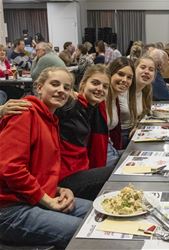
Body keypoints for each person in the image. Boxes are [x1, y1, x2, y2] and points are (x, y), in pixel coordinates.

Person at [0, 67, 91, 248]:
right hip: (10, 209)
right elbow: (10, 168)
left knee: (97, 213)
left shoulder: (50, 119)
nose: (61, 90)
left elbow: (37, 170)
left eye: (66, 87)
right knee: (87, 234)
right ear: (39, 87)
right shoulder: (25, 113)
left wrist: (57, 189)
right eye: (55, 84)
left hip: (31, 199)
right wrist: (47, 199)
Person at [57, 64, 112, 200]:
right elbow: (41, 104)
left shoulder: (94, 108)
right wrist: (3, 109)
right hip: (64, 179)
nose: (100, 89)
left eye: (105, 86)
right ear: (83, 84)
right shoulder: (70, 104)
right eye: (95, 83)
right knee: (117, 172)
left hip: (81, 170)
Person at [119, 55, 155, 147]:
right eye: (143, 67)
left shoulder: (146, 90)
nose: (147, 72)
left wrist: (137, 125)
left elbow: (141, 114)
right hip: (118, 138)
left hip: (133, 135)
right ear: (134, 70)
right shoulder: (122, 88)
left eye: (151, 70)